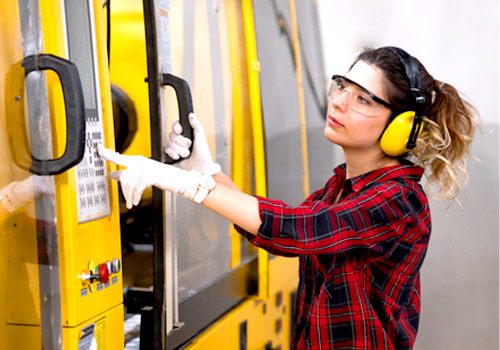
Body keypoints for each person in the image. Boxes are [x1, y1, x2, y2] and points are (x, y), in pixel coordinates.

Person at [98, 46, 477, 349]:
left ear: (401, 125)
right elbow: (280, 231)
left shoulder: (398, 199)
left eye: (364, 99)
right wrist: (208, 172)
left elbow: (299, 230)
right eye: (342, 86)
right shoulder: (341, 188)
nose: (340, 101)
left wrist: (189, 186)